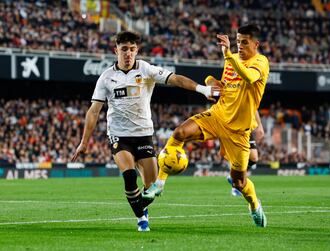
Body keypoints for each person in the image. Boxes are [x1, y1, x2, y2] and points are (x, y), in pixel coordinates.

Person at [71, 31, 221, 232]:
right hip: (119, 135)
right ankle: (141, 218)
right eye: (124, 49)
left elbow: (175, 79)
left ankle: (141, 208)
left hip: (143, 135)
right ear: (116, 50)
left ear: (137, 50)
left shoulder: (146, 69)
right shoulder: (106, 78)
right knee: (129, 176)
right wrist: (83, 142)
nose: (128, 53)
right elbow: (93, 112)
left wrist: (203, 90)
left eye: (132, 49)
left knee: (151, 189)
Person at [144, 24, 270, 227]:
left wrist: (228, 55)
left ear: (256, 43)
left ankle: (254, 205)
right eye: (238, 42)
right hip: (217, 116)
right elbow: (225, 85)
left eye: (245, 42)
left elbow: (248, 77)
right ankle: (159, 183)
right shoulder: (232, 59)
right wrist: (211, 82)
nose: (240, 46)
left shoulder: (261, 62)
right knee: (179, 133)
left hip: (238, 131)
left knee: (239, 181)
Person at [227, 110, 264, 196]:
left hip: (245, 126)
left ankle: (233, 177)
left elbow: (254, 107)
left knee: (254, 158)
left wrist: (259, 125)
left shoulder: (249, 97)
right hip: (231, 124)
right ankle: (235, 185)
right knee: (239, 155)